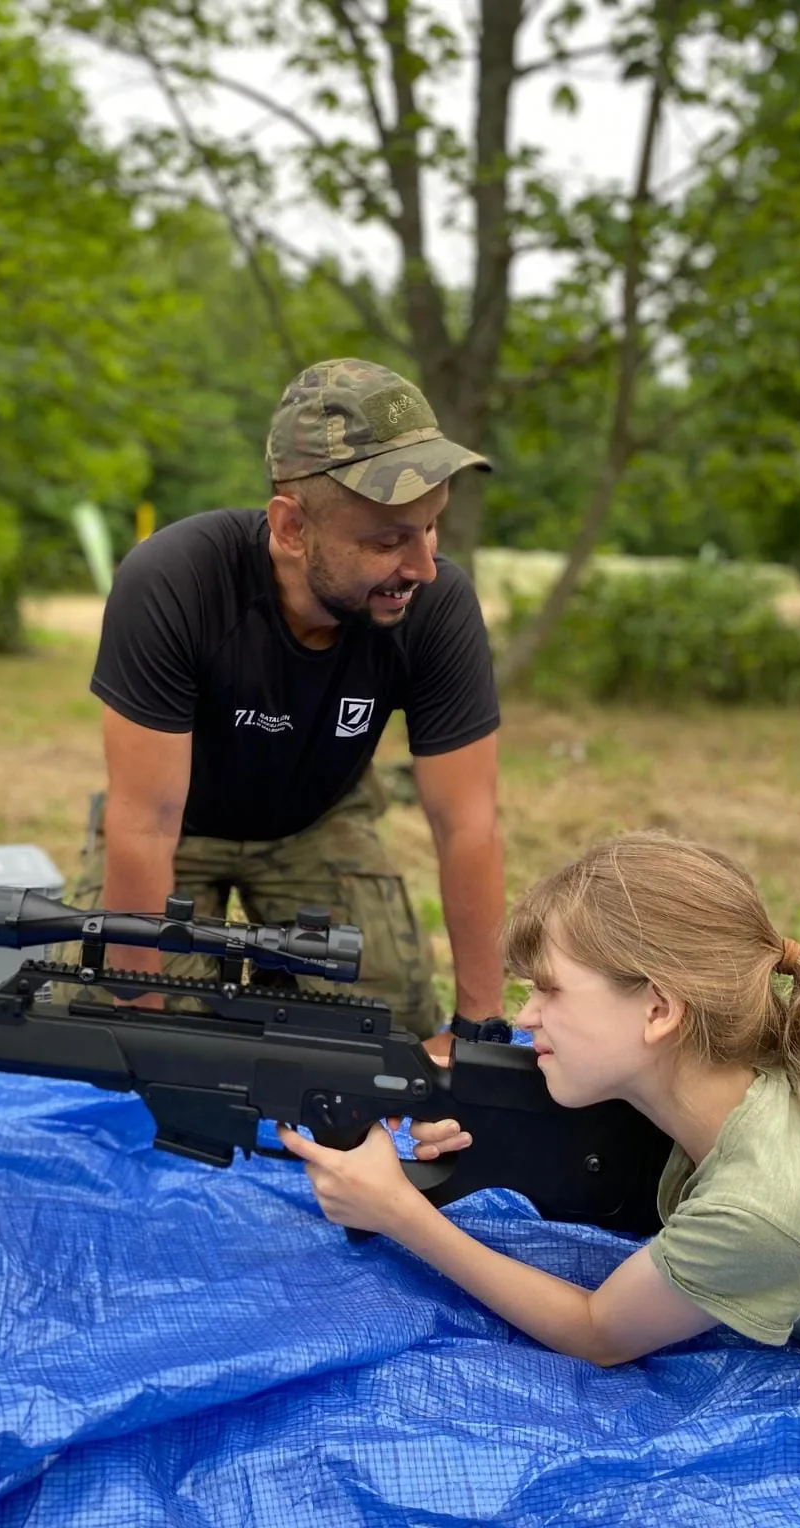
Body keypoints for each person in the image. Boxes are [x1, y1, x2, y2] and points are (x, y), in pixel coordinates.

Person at [278, 831, 800, 1367]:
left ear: (659, 1009)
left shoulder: (759, 1207)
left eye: (550, 991)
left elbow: (598, 1332)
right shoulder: (761, 1053)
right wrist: (476, 1119)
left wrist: (397, 1213)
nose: (525, 1016)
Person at [70, 357, 505, 1042]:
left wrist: (479, 1032)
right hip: (176, 826)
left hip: (319, 818)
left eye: (431, 528)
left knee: (386, 1029)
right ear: (292, 527)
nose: (422, 567)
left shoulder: (436, 604)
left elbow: (468, 824)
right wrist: (138, 1020)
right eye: (389, 539)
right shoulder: (174, 582)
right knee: (99, 1028)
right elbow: (145, 823)